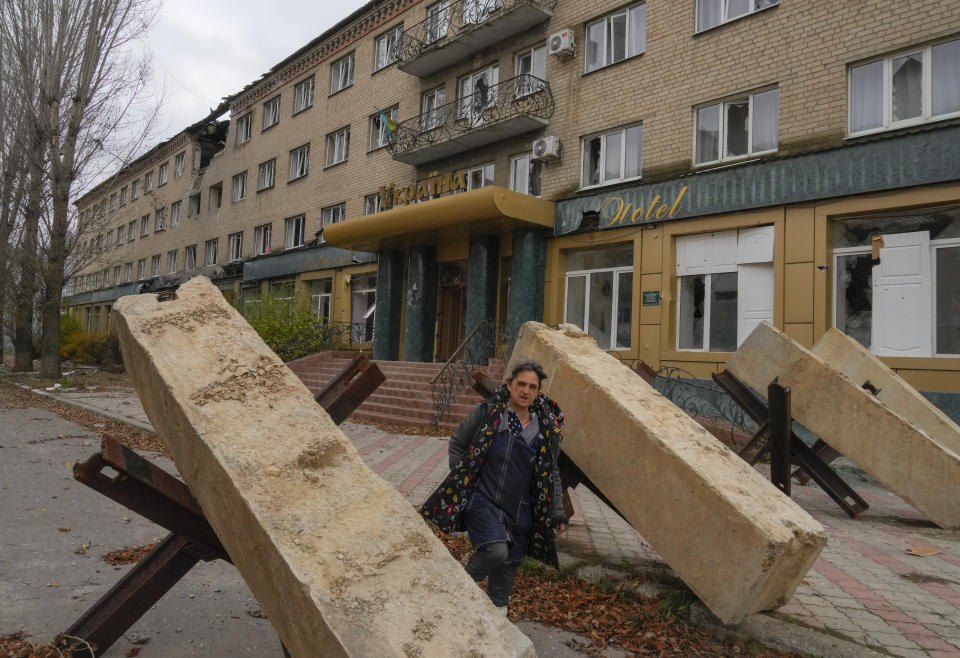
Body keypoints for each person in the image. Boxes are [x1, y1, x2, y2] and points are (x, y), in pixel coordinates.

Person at [419, 359, 568, 611]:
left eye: (532, 387)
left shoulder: (545, 429)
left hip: (520, 512)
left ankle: (495, 630)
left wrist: (555, 512)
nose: (525, 391)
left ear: (538, 392)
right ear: (509, 385)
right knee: (496, 552)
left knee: (502, 585)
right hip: (483, 501)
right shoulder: (490, 412)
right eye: (521, 384)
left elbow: (551, 472)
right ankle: (450, 595)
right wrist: (463, 480)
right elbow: (457, 443)